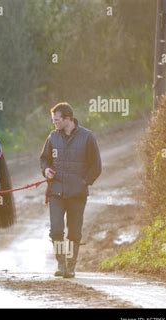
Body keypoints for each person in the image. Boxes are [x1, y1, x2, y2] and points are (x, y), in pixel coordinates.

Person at [39, 102, 101, 278]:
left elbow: (96, 166)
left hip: (77, 194)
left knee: (74, 231)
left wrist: (84, 183)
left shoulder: (87, 137)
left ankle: (71, 266)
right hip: (56, 192)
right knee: (56, 230)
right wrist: (46, 170)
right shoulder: (52, 137)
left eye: (57, 120)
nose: (54, 123)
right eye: (53, 120)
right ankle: (61, 264)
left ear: (68, 119)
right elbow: (44, 159)